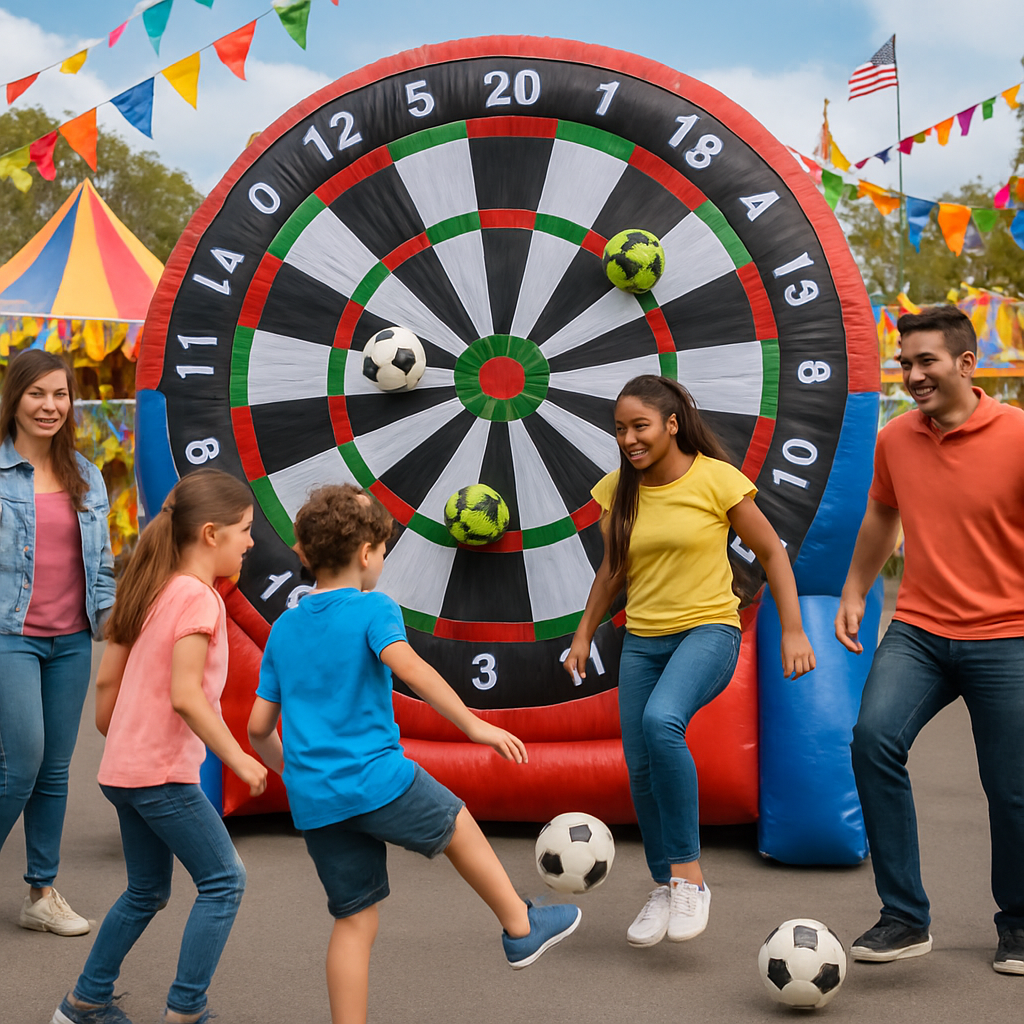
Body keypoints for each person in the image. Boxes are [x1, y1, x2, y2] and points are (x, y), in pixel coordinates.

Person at [247, 484, 581, 1024]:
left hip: (316, 801)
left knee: (354, 921)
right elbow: (411, 668)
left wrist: (294, 772)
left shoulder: (285, 628)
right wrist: (474, 725)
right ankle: (521, 926)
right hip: (376, 777)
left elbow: (258, 727)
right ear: (366, 554)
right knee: (456, 821)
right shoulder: (374, 607)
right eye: (383, 549)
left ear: (305, 556)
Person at [564, 375, 815, 948]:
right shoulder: (616, 492)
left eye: (640, 426)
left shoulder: (716, 479)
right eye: (621, 429)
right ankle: (665, 883)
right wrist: (583, 634)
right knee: (641, 765)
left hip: (708, 631)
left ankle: (692, 877)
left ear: (671, 424)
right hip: (644, 641)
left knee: (661, 724)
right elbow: (613, 572)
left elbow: (773, 551)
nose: (629, 438)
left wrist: (793, 630)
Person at [836, 305, 1024, 975]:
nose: (912, 374)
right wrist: (857, 591)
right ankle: (904, 917)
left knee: (1011, 787)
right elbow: (882, 516)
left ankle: (1020, 925)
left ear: (966, 364)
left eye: (925, 361)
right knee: (872, 740)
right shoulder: (896, 439)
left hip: (1009, 634)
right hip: (919, 630)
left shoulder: (1018, 434)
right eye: (904, 362)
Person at [53, 469, 269, 1024]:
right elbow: (186, 697)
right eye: (245, 529)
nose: (251, 540)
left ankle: (84, 1003)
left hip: (126, 771)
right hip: (160, 777)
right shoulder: (197, 599)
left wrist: (120, 733)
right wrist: (240, 757)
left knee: (147, 891)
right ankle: (185, 1012)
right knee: (225, 882)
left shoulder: (162, 588)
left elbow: (130, 685)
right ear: (212, 534)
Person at [0, 350, 116, 936]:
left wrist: (118, 626)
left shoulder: (86, 475)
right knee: (19, 765)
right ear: (14, 399)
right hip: (9, 638)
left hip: (71, 641)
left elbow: (100, 569)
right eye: (37, 394)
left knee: (53, 770)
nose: (50, 406)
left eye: (60, 395)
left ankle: (40, 894)